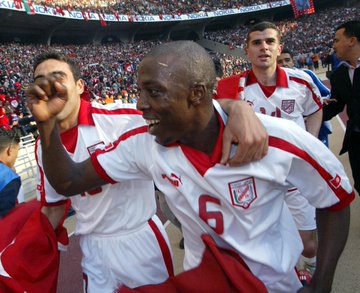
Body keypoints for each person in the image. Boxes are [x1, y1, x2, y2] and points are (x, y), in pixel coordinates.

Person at [26, 40, 354, 293]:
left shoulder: (273, 139)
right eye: (140, 90)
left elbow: (336, 201)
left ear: (196, 94)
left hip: (276, 285)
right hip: (206, 282)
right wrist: (46, 124)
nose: (140, 103)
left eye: (154, 92)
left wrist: (322, 283)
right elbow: (68, 182)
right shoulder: (144, 144)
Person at [31, 52, 175, 293]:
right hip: (93, 247)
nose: (49, 86)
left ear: (79, 86)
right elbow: (54, 208)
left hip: (139, 239)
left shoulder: (123, 118)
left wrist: (232, 109)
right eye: (40, 80)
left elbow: (183, 114)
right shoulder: (42, 146)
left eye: (57, 76)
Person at [215, 22, 323, 277]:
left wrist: (311, 141)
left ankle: (308, 274)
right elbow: (217, 113)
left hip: (295, 173)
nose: (264, 47)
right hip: (258, 177)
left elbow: (315, 110)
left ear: (279, 48)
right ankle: (286, 279)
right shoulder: (232, 86)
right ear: (247, 51)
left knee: (308, 246)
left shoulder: (301, 81)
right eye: (256, 43)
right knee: (263, 242)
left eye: (269, 42)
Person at [323, 20, 360, 195]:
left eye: (337, 40)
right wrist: (307, 114)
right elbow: (336, 105)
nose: (334, 45)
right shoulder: (338, 75)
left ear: (351, 41)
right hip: (357, 141)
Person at [277, 48, 333, 146]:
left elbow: (327, 93)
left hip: (317, 129)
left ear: (293, 62)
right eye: (280, 62)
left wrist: (321, 101)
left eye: (287, 60)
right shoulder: (273, 83)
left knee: (319, 156)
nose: (284, 64)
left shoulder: (307, 75)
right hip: (293, 133)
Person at [0, 127, 21, 218]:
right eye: (18, 150)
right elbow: (6, 220)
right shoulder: (9, 177)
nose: (17, 156)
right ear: (10, 150)